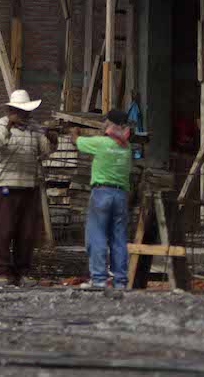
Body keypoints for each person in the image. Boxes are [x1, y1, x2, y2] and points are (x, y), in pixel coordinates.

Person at [0, 89, 54, 286]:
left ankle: (22, 271)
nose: (23, 115)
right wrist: (9, 126)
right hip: (4, 185)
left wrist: (51, 139)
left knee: (26, 233)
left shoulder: (34, 128)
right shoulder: (0, 125)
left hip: (28, 185)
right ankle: (2, 273)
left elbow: (45, 152)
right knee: (3, 230)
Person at [74, 109, 133, 288]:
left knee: (97, 235)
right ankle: (120, 280)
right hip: (121, 195)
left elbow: (77, 142)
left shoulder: (100, 143)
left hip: (101, 193)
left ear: (111, 123)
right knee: (119, 238)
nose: (104, 124)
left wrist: (74, 133)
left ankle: (99, 279)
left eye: (106, 122)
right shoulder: (127, 147)